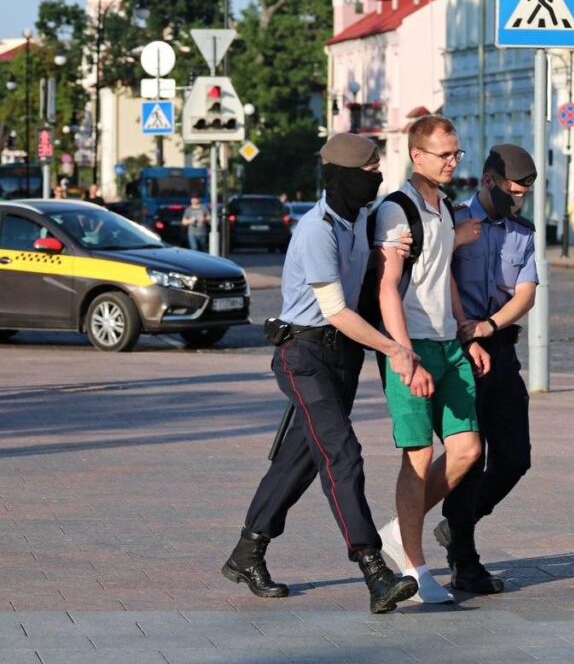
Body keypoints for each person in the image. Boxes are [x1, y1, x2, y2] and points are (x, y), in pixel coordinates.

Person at [222, 133, 420, 615]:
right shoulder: (317, 229)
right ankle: (374, 570)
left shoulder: (358, 221)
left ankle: (248, 552)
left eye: (379, 172)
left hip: (340, 359)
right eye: (368, 173)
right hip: (303, 354)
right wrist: (394, 348)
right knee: (342, 453)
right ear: (342, 177)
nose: (376, 180)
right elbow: (335, 311)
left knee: (301, 459)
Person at [373, 115, 488, 603]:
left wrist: (467, 333)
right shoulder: (396, 211)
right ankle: (416, 571)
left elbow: (442, 276)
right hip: (413, 346)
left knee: (467, 450)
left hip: (448, 344)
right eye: (444, 154)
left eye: (457, 153)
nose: (452, 162)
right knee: (418, 456)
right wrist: (403, 355)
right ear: (417, 155)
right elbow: (386, 287)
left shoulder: (443, 207)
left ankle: (402, 528)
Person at [435, 144, 538, 595]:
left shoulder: (523, 231)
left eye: (523, 195)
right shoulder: (452, 220)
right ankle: (465, 559)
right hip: (459, 353)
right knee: (469, 457)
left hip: (500, 347)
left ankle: (458, 524)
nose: (516, 202)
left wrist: (491, 324)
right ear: (489, 181)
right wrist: (465, 328)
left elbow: (526, 291)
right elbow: (434, 277)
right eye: (511, 192)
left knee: (515, 458)